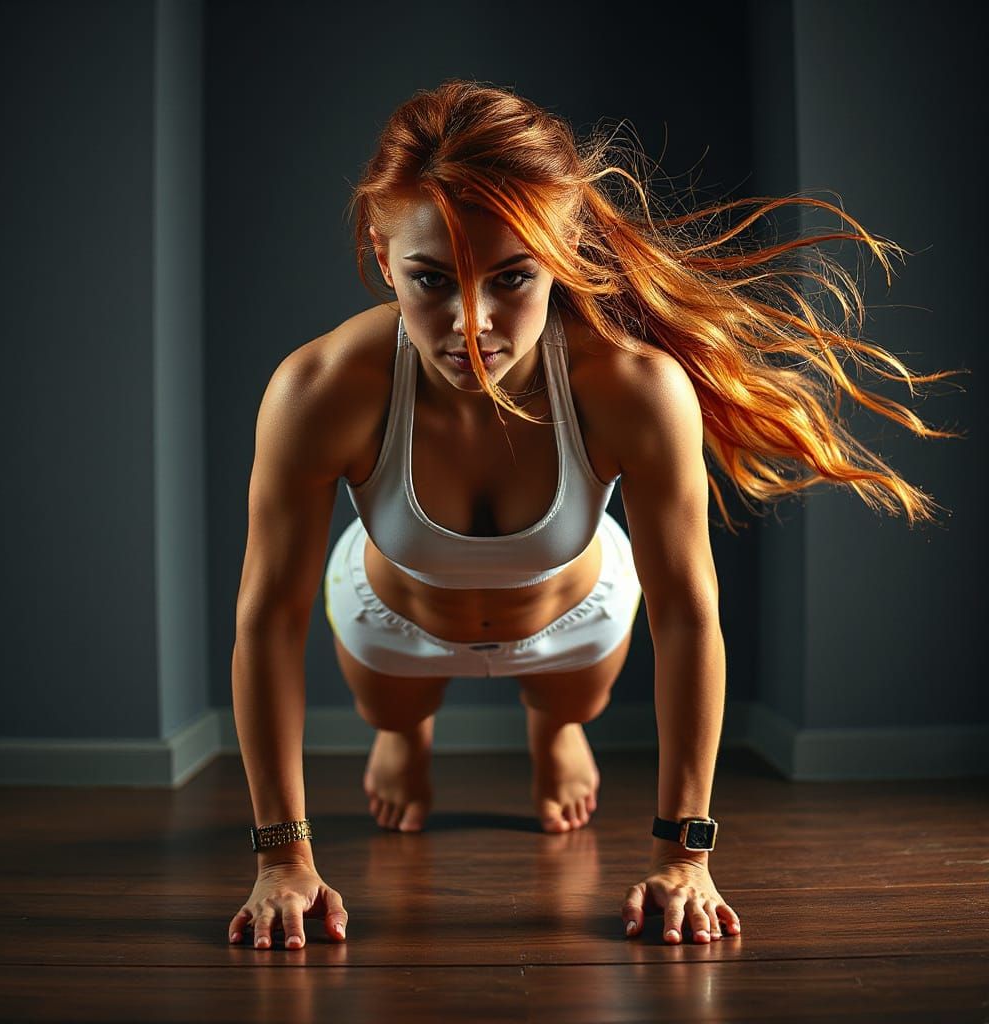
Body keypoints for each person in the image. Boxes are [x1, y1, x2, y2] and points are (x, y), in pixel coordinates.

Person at [226, 80, 962, 952]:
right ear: (383, 256)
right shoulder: (318, 391)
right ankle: (408, 736)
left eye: (511, 279)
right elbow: (271, 621)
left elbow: (689, 617)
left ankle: (558, 725)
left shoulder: (635, 390)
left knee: (573, 693)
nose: (472, 324)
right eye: (430, 279)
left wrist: (685, 853)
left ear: (562, 250)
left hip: (574, 616)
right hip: (395, 616)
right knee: (388, 713)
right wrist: (282, 859)